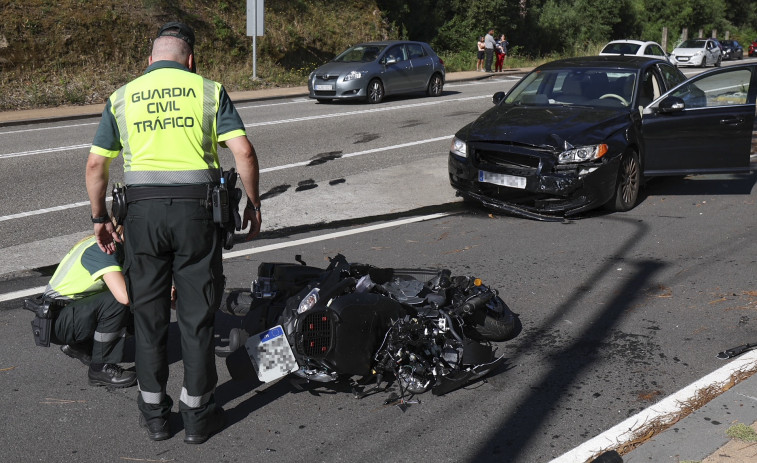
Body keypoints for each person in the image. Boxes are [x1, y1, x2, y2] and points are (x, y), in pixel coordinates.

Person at [85, 22, 262, 444]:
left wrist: (99, 217)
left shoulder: (122, 97)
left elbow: (96, 165)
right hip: (197, 215)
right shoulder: (208, 90)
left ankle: (155, 417)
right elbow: (244, 152)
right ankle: (199, 417)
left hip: (141, 218)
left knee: (147, 319)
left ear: (149, 62)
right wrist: (253, 205)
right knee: (197, 318)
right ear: (191, 60)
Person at [29, 227, 136, 388]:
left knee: (135, 297)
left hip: (67, 313)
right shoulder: (104, 248)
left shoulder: (113, 244)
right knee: (118, 301)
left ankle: (81, 345)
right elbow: (124, 297)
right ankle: (100, 369)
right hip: (57, 319)